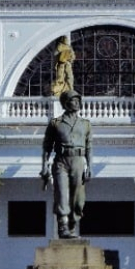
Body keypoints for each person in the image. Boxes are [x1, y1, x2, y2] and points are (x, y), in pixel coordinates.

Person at [41, 90, 92, 238]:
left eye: (77, 100)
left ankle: (72, 224)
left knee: (78, 198)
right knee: (62, 194)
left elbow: (89, 147)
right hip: (61, 161)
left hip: (78, 161)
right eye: (72, 100)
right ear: (65, 103)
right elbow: (47, 146)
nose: (75, 103)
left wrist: (90, 166)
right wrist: (44, 165)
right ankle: (63, 226)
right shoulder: (55, 124)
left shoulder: (85, 124)